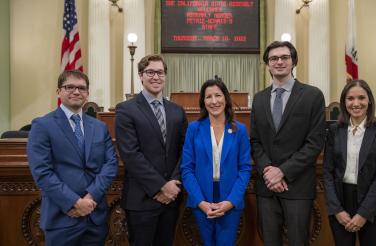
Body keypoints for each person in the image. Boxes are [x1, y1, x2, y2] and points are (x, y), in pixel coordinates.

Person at [27, 70, 118, 246]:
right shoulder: (43, 125)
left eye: (81, 88)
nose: (76, 92)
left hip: (95, 217)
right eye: (70, 87)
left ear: (87, 93)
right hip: (62, 217)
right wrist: (75, 202)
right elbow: (42, 172)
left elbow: (111, 164)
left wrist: (90, 197)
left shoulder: (99, 127)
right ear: (58, 92)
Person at [250, 41, 326, 245]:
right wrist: (268, 171)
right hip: (267, 188)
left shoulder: (313, 95)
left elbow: (315, 142)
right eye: (274, 58)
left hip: (298, 186)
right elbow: (255, 142)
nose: (279, 62)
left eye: (284, 57)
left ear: (293, 62)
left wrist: (282, 171)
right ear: (268, 64)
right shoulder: (258, 99)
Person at [115, 54, 188, 246]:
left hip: (172, 197)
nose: (156, 77)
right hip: (142, 199)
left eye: (160, 72)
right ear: (140, 75)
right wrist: (160, 186)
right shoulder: (126, 109)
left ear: (165, 76)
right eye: (150, 72)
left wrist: (173, 184)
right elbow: (131, 155)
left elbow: (185, 151)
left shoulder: (177, 111)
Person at [181, 76, 251, 246]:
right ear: (203, 101)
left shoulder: (239, 129)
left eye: (218, 95)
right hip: (202, 197)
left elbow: (244, 169)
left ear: (226, 98)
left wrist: (230, 202)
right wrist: (201, 202)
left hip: (229, 199)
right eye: (208, 97)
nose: (214, 101)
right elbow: (187, 169)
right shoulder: (194, 129)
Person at [323, 80, 376, 246]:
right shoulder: (334, 130)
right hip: (341, 201)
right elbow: (327, 172)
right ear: (344, 102)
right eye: (350, 98)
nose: (356, 103)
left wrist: (363, 214)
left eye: (361, 98)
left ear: (369, 101)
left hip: (373, 201)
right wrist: (337, 210)